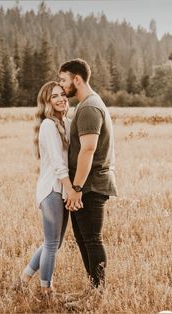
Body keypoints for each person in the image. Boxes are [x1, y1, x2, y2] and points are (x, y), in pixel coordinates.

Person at [12, 81, 82, 299]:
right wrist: (71, 189)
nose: (61, 98)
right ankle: (46, 289)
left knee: (54, 243)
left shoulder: (65, 122)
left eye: (62, 94)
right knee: (52, 243)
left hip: (60, 190)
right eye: (54, 96)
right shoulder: (48, 126)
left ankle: (22, 281)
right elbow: (58, 164)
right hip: (52, 190)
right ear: (46, 102)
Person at [58, 58, 118, 292]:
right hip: (87, 185)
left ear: (77, 79)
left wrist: (77, 188)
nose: (61, 86)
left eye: (63, 80)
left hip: (90, 186)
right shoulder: (86, 105)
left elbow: (89, 149)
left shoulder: (90, 107)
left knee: (92, 240)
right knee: (84, 240)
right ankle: (93, 290)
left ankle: (97, 293)